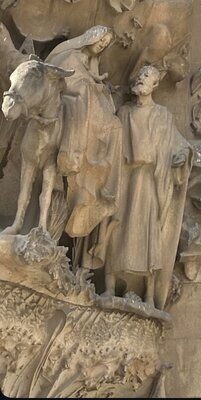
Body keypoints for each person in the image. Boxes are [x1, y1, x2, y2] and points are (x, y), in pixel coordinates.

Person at [104, 65, 191, 308]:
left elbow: (180, 145)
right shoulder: (124, 113)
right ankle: (109, 287)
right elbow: (110, 142)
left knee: (149, 233)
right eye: (140, 75)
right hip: (124, 179)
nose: (141, 79)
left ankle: (150, 296)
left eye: (147, 77)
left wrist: (181, 156)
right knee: (116, 229)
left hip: (150, 181)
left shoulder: (163, 115)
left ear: (155, 85)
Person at [46, 25, 121, 240]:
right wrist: (90, 83)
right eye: (101, 39)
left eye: (105, 44)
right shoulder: (70, 55)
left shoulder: (90, 64)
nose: (102, 45)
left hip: (88, 112)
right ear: (91, 37)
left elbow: (88, 85)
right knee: (99, 110)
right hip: (73, 109)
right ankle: (83, 160)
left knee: (115, 126)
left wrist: (97, 84)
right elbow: (64, 81)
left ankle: (100, 172)